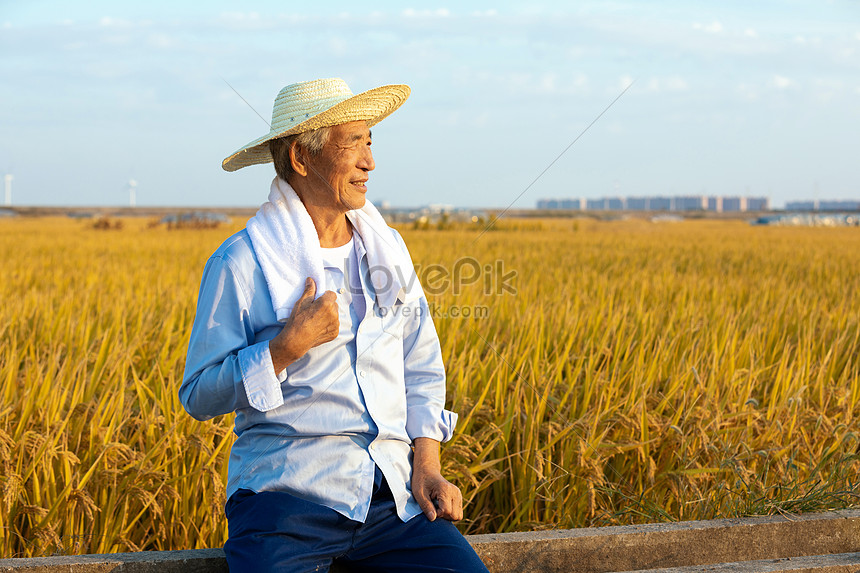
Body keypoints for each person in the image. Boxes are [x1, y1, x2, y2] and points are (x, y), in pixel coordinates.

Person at [179, 78, 489, 573]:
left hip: (389, 498)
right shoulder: (242, 262)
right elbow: (197, 394)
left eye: (371, 142)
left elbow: (421, 364)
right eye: (354, 143)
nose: (370, 162)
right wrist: (281, 350)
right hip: (285, 501)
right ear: (302, 158)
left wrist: (426, 465)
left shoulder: (386, 248)